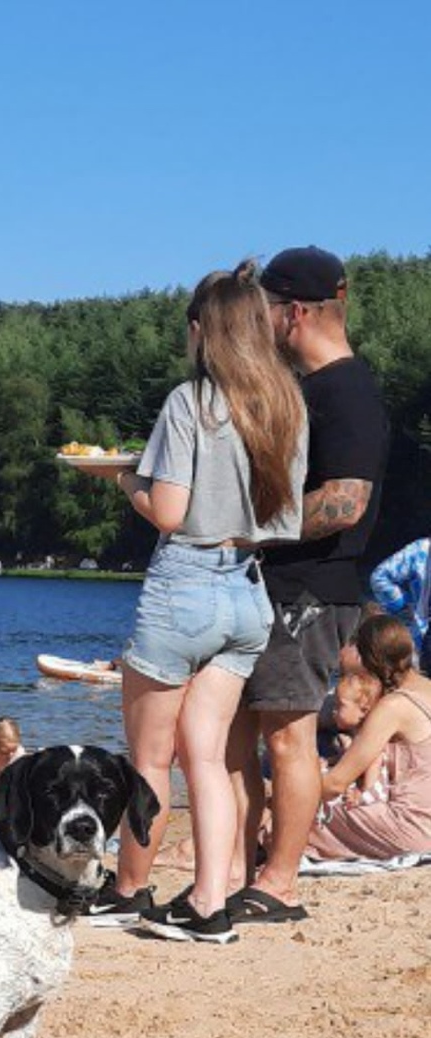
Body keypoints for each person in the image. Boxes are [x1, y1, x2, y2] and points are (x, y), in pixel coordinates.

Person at [84, 263, 307, 944]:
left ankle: (128, 889)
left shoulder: (192, 402)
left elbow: (169, 511)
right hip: (246, 589)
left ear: (200, 332)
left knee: (149, 759)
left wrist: (125, 479)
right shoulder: (284, 404)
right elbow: (286, 519)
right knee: (206, 759)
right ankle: (211, 903)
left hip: (184, 584)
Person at [226, 247, 390, 924]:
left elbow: (344, 504)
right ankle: (231, 873)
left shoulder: (345, 392)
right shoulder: (310, 391)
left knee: (288, 737)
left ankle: (281, 884)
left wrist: (242, 528)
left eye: (261, 311)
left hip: (312, 592)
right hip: (282, 588)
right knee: (234, 734)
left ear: (291, 313)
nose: (257, 326)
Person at [304, 615, 431, 862]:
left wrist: (277, 789)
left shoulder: (393, 707)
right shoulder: (425, 687)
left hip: (411, 829)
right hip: (424, 824)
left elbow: (336, 784)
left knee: (287, 815)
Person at [370, 537, 431, 676]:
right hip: (421, 640)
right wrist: (404, 608)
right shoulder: (423, 549)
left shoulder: (422, 548)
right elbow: (380, 577)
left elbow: (379, 577)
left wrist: (404, 609)